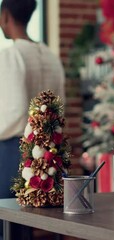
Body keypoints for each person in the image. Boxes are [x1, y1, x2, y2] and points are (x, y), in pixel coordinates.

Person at [0, 0, 65, 199]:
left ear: (5, 16)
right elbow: (60, 109)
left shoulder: (10, 56)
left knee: (6, 222)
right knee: (31, 218)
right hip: (49, 154)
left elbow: (15, 111)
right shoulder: (52, 58)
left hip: (12, 150)